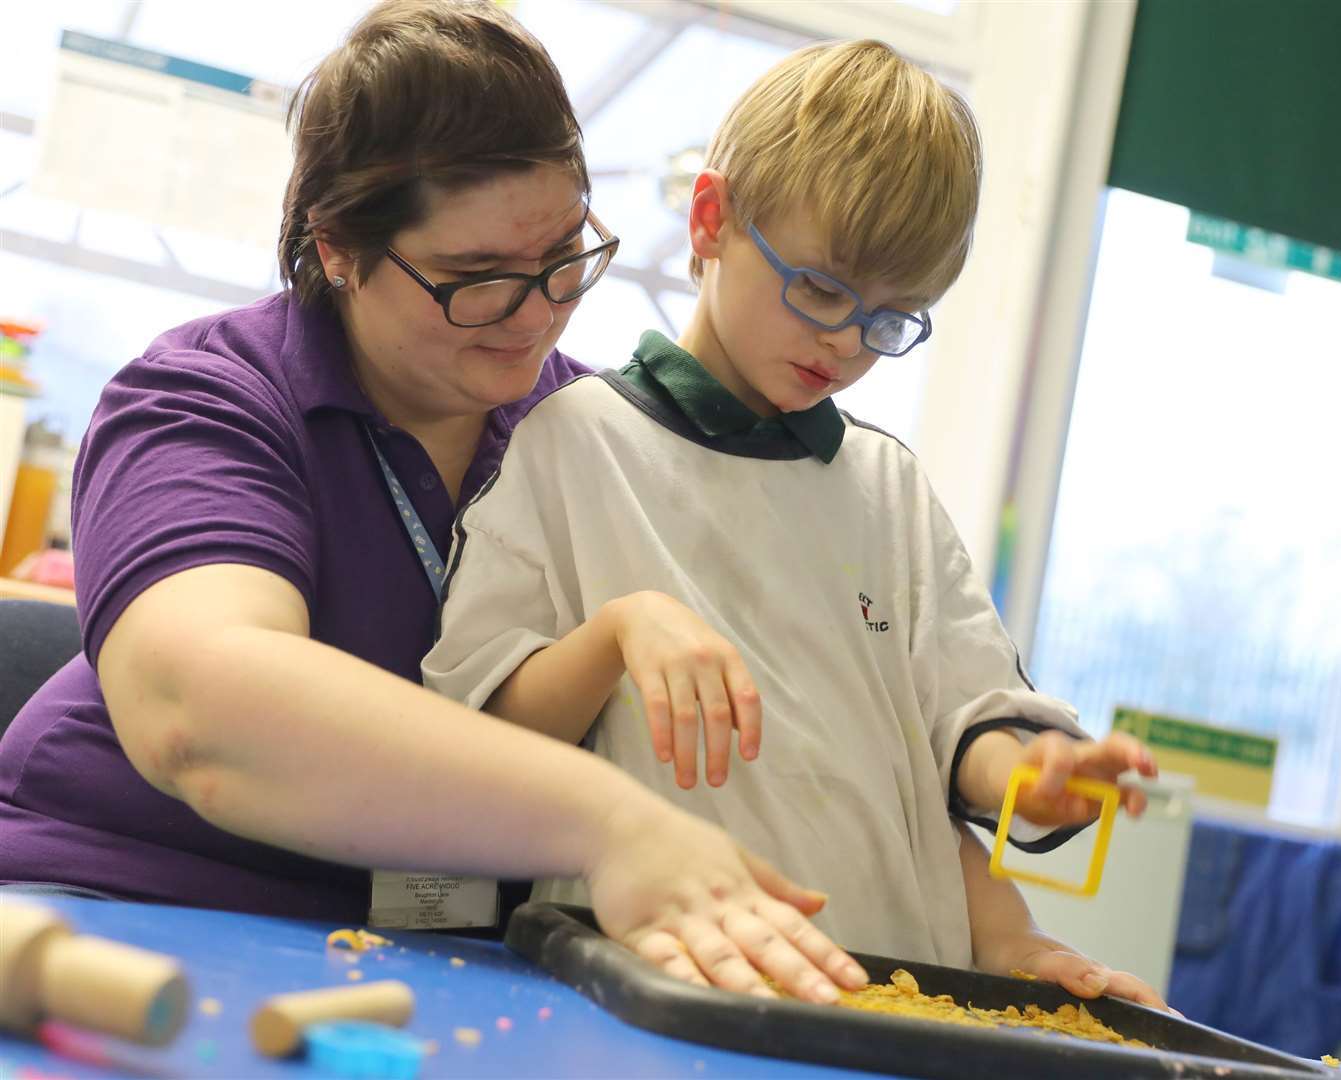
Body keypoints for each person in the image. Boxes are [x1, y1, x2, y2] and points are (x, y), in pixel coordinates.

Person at [0, 0, 868, 1005]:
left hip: (434, 962)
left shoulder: (597, 433)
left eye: (563, 258)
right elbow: (202, 710)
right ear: (336, 249)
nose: (536, 312)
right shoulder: (210, 397)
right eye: (474, 279)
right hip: (114, 910)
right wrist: (606, 820)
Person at [423, 40, 1167, 1007]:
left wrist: (1034, 776)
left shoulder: (887, 490)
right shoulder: (571, 447)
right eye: (820, 289)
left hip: (899, 1003)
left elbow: (959, 721)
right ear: (709, 220)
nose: (845, 343)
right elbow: (474, 737)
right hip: (663, 989)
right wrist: (613, 635)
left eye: (893, 319)